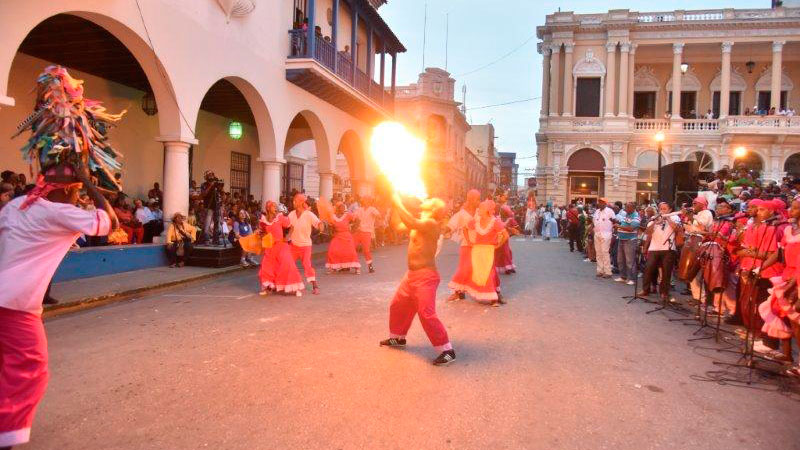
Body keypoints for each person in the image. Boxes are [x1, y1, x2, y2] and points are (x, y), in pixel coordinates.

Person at [0, 163, 117, 449]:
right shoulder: (58, 212)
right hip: (15, 304)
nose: (80, 199)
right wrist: (88, 182)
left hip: (8, 296)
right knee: (31, 369)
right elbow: (109, 222)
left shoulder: (15, 205)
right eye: (77, 193)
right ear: (66, 191)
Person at [379, 193, 456, 366]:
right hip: (411, 275)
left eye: (430, 200)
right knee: (397, 305)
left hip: (426, 276)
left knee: (426, 313)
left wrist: (397, 201)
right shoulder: (420, 223)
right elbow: (398, 226)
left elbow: (411, 222)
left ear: (434, 209)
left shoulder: (430, 223)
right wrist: (394, 207)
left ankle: (447, 350)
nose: (426, 198)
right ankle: (397, 338)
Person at [258, 201, 304, 296]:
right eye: (273, 206)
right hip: (270, 247)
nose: (276, 208)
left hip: (281, 245)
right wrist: (261, 235)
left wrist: (288, 236)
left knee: (287, 265)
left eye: (276, 206)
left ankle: (295, 288)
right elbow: (262, 231)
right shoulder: (263, 220)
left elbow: (291, 227)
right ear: (268, 208)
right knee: (266, 266)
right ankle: (268, 287)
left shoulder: (280, 217)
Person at [638, 202, 681, 301]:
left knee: (666, 272)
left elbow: (677, 229)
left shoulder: (674, 217)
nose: (662, 210)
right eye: (660, 208)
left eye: (664, 209)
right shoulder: (654, 218)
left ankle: (664, 292)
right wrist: (655, 222)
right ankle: (646, 289)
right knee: (648, 269)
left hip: (668, 249)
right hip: (654, 248)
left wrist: (668, 218)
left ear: (670, 210)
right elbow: (648, 232)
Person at [446, 189, 481, 301]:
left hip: (481, 245)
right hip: (466, 245)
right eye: (477, 199)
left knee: (483, 269)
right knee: (464, 269)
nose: (479, 201)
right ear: (470, 200)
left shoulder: (480, 211)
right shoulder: (461, 213)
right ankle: (458, 292)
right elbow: (451, 225)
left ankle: (493, 293)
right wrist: (443, 230)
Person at [288, 193, 323, 294]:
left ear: (300, 202)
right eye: (293, 200)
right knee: (288, 263)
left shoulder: (309, 214)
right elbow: (289, 227)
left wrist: (321, 226)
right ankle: (291, 284)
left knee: (307, 265)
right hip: (293, 245)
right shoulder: (291, 214)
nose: (293, 202)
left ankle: (315, 285)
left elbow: (318, 223)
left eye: (295, 200)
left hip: (305, 246)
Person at [322, 201, 361, 274]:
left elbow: (358, 220)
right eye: (341, 207)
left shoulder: (347, 215)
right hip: (337, 236)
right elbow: (331, 226)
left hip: (347, 236)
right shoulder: (333, 216)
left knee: (351, 253)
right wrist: (331, 233)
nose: (343, 208)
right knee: (332, 251)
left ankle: (357, 268)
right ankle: (332, 267)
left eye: (344, 207)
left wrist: (354, 230)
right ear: (337, 208)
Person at [614, 202, 641, 286]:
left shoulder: (636, 216)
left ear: (633, 208)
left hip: (630, 240)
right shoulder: (626, 215)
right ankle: (623, 276)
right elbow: (623, 223)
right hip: (621, 238)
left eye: (627, 207)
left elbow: (631, 228)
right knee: (620, 259)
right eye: (625, 207)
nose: (625, 209)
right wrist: (618, 224)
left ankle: (632, 278)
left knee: (630, 260)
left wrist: (619, 227)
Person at [354, 197, 381, 273]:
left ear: (369, 201)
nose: (365, 201)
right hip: (358, 231)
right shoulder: (359, 209)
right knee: (352, 248)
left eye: (367, 200)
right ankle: (355, 266)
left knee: (366, 250)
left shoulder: (372, 209)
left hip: (367, 232)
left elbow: (379, 216)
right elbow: (354, 216)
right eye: (364, 200)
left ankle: (370, 266)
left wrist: (377, 216)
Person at [593, 198, 616, 278]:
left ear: (606, 203)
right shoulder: (597, 211)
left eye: (602, 202)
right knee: (598, 253)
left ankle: (608, 272)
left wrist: (614, 234)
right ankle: (600, 270)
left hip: (606, 234)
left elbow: (614, 222)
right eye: (599, 202)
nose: (600, 203)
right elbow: (594, 222)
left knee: (605, 252)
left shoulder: (610, 211)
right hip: (597, 234)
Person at [495, 205, 519, 274]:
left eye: (503, 211)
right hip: (498, 239)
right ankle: (502, 268)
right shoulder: (497, 218)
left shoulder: (510, 219)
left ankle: (508, 268)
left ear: (506, 212)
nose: (501, 212)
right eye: (501, 210)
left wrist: (510, 233)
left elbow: (517, 229)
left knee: (506, 253)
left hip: (505, 239)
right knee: (498, 253)